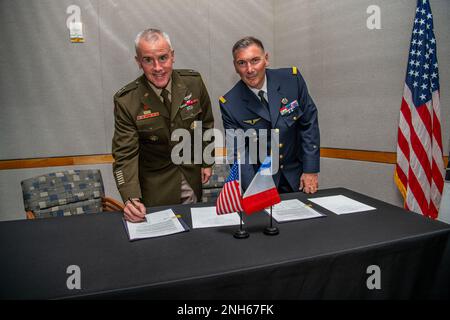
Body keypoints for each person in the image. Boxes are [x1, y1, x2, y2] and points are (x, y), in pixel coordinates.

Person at [112, 29, 214, 222]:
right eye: (148, 60)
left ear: (172, 56)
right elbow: (125, 155)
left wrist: (206, 161)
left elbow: (205, 122)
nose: (158, 67)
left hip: (191, 176)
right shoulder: (127, 101)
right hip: (155, 186)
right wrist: (130, 197)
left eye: (163, 58)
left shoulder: (193, 82)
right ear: (138, 62)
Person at [219, 36, 320, 194]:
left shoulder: (291, 80)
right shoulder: (230, 103)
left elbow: (308, 124)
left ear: (266, 59)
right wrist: (254, 190)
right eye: (242, 63)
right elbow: (239, 153)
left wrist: (311, 169)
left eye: (255, 60)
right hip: (261, 180)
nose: (250, 69)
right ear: (235, 66)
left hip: (298, 175)